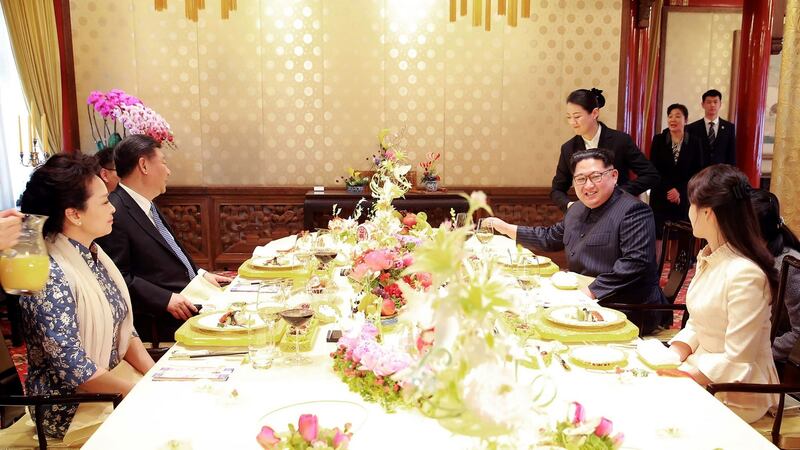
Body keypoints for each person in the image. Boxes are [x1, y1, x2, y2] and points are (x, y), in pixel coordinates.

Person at [17, 154, 154, 439]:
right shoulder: (49, 274)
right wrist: (145, 394)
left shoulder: (92, 255)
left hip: (111, 383)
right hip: (69, 408)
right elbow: (75, 370)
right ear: (74, 214)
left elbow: (124, 328)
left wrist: (154, 376)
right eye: (104, 201)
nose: (113, 208)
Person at [488, 148, 667, 334]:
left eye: (595, 177)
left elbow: (635, 263)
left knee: (540, 323)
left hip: (626, 304)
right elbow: (549, 237)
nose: (588, 186)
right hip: (584, 296)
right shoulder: (576, 209)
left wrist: (590, 292)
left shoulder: (633, 211)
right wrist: (505, 228)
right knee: (518, 308)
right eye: (580, 179)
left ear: (614, 176)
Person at [668, 165, 778, 423]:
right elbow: (698, 321)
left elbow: (739, 358)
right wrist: (672, 354)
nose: (689, 212)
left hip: (736, 389)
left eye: (691, 204)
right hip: (702, 369)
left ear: (707, 212)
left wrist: (685, 376)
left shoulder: (745, 273)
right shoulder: (710, 256)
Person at [96, 134, 231, 341]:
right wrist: (165, 299)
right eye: (164, 163)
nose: (168, 171)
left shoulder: (146, 203)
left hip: (190, 297)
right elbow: (116, 276)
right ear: (144, 165)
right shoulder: (116, 212)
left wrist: (200, 275)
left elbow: (171, 251)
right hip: (161, 319)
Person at [551, 88, 659, 212]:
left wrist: (618, 193)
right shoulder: (568, 148)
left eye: (577, 116)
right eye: (568, 117)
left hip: (619, 211)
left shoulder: (620, 140)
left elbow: (651, 175)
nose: (572, 122)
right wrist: (570, 206)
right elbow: (557, 190)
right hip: (587, 216)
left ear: (595, 113)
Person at [751, 189, 800, 362]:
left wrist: (758, 351)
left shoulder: (789, 265)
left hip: (780, 360)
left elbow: (798, 333)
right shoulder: (754, 254)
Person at [648, 103, 705, 236]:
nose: (673, 119)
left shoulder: (695, 142)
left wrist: (679, 191)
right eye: (670, 116)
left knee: (682, 236)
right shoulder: (659, 140)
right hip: (661, 195)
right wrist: (669, 189)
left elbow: (698, 173)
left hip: (684, 197)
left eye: (678, 116)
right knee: (660, 235)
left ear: (686, 120)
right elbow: (653, 169)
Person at [686, 89, 736, 166]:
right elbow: (689, 154)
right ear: (703, 104)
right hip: (699, 173)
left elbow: (731, 155)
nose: (712, 105)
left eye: (715, 102)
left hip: (721, 174)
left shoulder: (729, 128)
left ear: (720, 104)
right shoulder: (692, 128)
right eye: (709, 102)